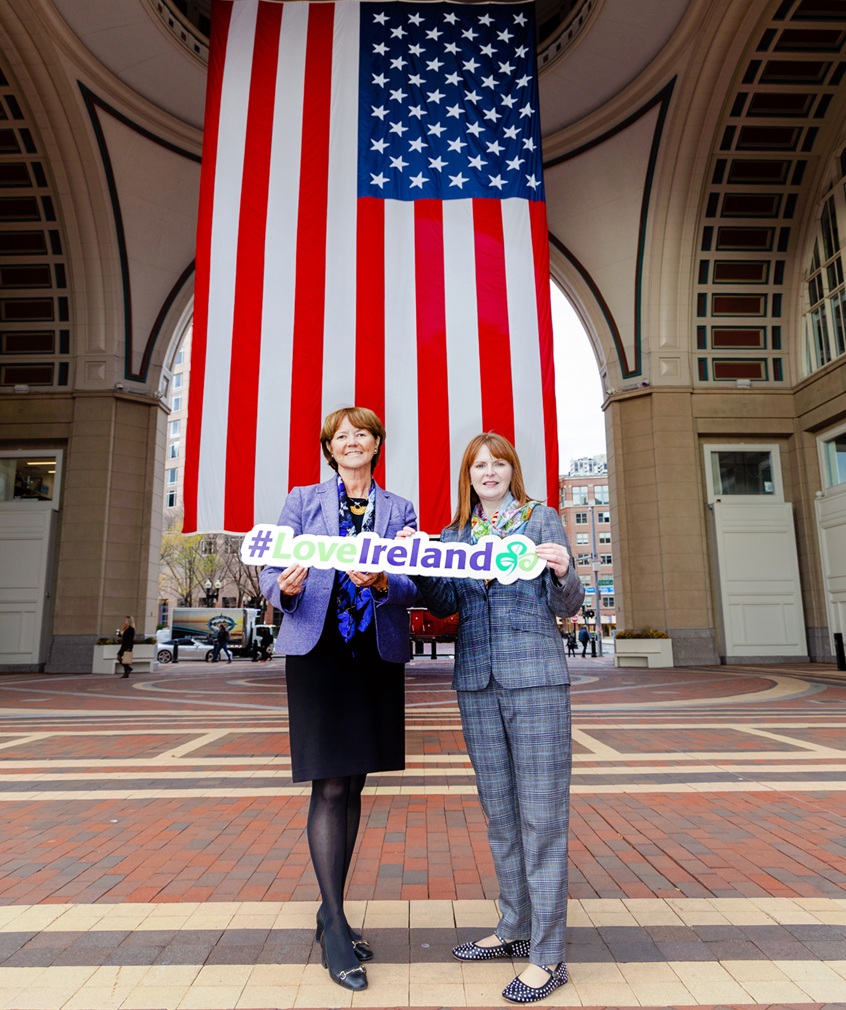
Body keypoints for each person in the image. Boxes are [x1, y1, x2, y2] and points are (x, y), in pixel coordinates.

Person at [403, 432, 584, 1005]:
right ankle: (514, 927)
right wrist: (418, 556)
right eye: (478, 465)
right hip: (477, 683)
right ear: (468, 474)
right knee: (500, 814)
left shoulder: (541, 519)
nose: (488, 472)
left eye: (497, 463)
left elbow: (569, 604)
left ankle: (548, 956)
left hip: (535, 680)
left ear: (512, 470)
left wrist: (562, 572)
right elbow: (443, 604)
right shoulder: (455, 535)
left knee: (542, 816)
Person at [258, 407, 418, 993]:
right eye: (341, 436)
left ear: (377, 443)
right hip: (319, 649)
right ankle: (335, 927)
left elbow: (413, 580)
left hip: (373, 653)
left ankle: (332, 913)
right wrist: (283, 587)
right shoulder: (303, 500)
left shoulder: (399, 508)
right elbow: (270, 566)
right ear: (330, 448)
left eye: (363, 434)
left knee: (353, 782)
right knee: (328, 781)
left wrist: (383, 582)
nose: (352, 442)